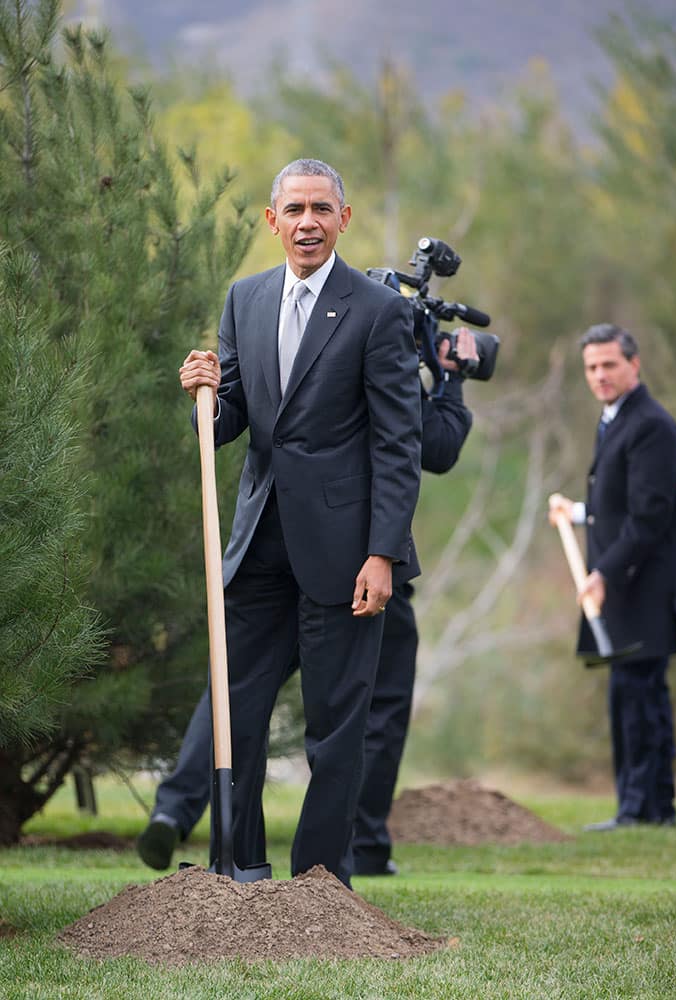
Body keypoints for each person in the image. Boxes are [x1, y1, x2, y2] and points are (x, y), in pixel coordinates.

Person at [137, 333, 475, 874]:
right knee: (351, 706)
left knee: (243, 691)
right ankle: (355, 846)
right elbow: (433, 445)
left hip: (338, 562)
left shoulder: (356, 322)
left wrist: (384, 551)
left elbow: (400, 444)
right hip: (328, 560)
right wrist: (452, 380)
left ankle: (179, 808)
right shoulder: (365, 329)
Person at [170, 159, 422, 887]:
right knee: (236, 710)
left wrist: (382, 555)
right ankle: (237, 868)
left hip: (346, 554)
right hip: (258, 545)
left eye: (321, 208)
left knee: (336, 726)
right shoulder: (244, 299)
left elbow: (398, 445)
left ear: (345, 218)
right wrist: (206, 394)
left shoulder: (379, 311)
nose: (307, 221)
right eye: (294, 209)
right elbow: (238, 417)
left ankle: (319, 884)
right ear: (271, 220)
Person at [549, 323, 676, 830]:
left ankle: (642, 810)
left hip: (647, 586)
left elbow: (651, 516)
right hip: (624, 584)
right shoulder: (615, 420)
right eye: (591, 367)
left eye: (609, 364)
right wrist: (581, 511)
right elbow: (622, 505)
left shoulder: (651, 425)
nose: (600, 375)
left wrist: (603, 572)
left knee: (640, 697)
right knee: (633, 694)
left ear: (635, 364)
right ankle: (651, 809)